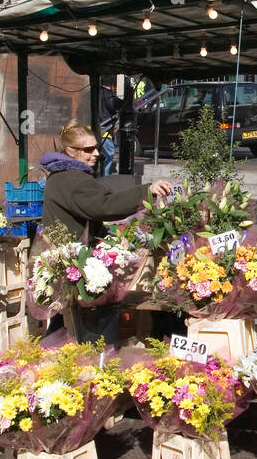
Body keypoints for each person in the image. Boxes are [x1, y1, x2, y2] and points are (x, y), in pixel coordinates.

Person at [38, 123, 174, 343]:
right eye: (88, 149)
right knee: (82, 323)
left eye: (96, 147)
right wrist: (146, 192)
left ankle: (57, 354)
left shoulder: (62, 175)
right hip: (75, 263)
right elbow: (104, 205)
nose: (97, 154)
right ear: (71, 151)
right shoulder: (73, 180)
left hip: (67, 259)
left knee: (65, 321)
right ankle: (92, 360)